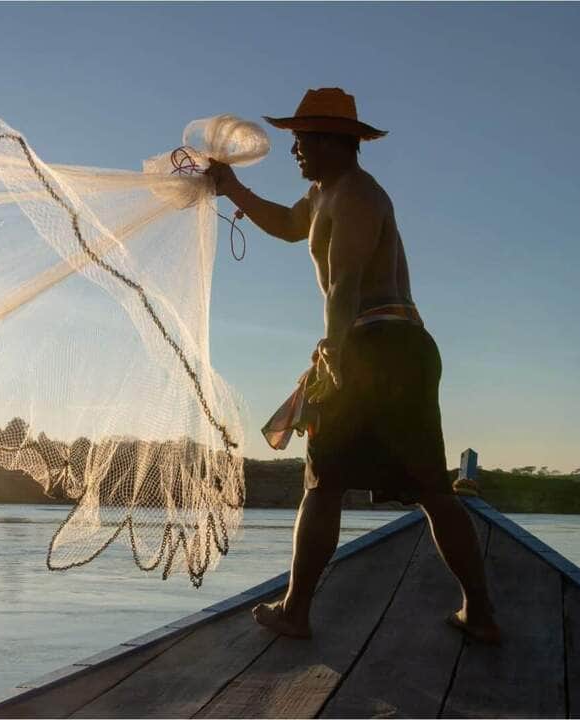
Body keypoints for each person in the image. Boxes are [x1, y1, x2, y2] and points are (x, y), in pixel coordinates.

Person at [206, 88, 501, 644]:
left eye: (301, 140)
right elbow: (289, 226)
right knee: (399, 486)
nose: (294, 150)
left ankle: (298, 612)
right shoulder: (323, 195)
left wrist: (334, 356)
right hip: (376, 346)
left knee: (334, 482)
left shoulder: (361, 195)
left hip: (381, 345)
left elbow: (343, 285)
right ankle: (479, 613)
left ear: (334, 142)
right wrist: (231, 187)